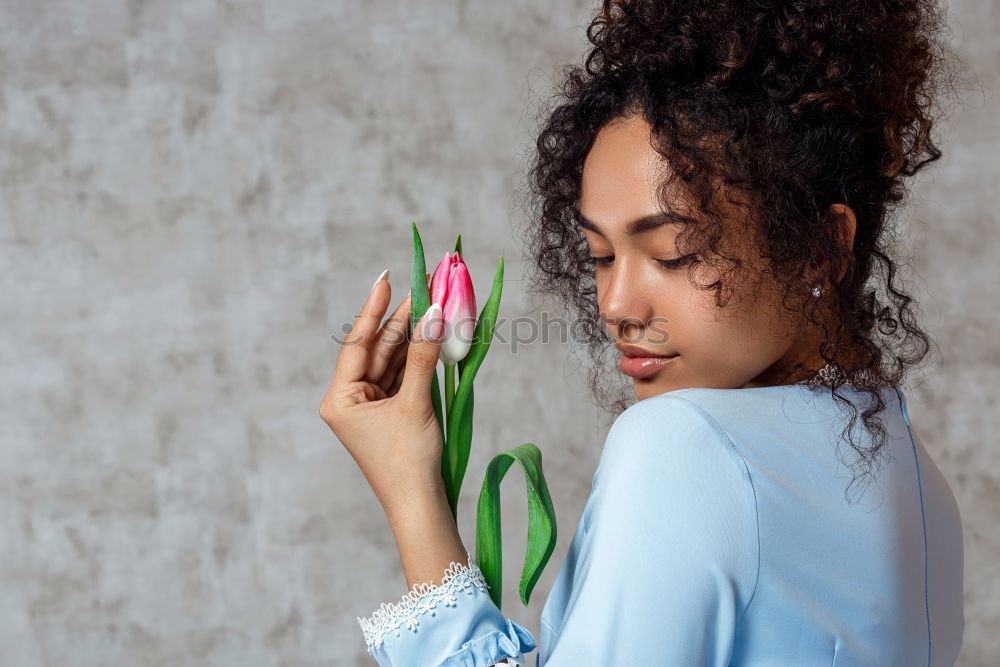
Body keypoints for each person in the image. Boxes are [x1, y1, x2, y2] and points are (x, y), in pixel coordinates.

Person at [320, 0, 967, 664]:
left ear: (822, 248)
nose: (617, 304)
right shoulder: (916, 483)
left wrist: (410, 489)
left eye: (675, 254)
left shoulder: (685, 445)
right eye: (600, 256)